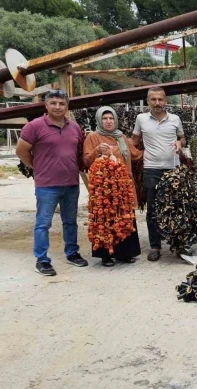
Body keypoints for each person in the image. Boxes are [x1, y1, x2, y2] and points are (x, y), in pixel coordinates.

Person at [16, 89, 88, 276]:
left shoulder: (74, 127)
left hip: (71, 183)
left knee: (70, 221)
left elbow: (77, 153)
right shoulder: (35, 126)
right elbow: (21, 151)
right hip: (47, 185)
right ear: (46, 105)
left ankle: (72, 253)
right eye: (53, 103)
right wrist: (36, 167)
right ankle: (42, 259)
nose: (57, 106)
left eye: (61, 103)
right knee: (43, 223)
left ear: (67, 106)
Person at [83, 106, 144, 267]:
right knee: (105, 218)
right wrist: (97, 150)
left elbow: (136, 154)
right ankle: (106, 255)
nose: (108, 121)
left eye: (111, 118)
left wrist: (157, 146)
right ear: (99, 120)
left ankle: (125, 253)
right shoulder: (93, 137)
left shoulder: (121, 137)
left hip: (122, 187)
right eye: (105, 118)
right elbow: (86, 161)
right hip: (104, 188)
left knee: (124, 217)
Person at [131, 86, 185, 262]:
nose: (157, 103)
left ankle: (176, 244)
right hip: (151, 169)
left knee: (175, 206)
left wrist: (179, 143)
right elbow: (135, 141)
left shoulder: (175, 119)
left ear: (165, 101)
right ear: (148, 102)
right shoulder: (141, 119)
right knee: (153, 209)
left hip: (173, 169)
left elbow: (182, 138)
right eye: (153, 99)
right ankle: (155, 246)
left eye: (160, 99)